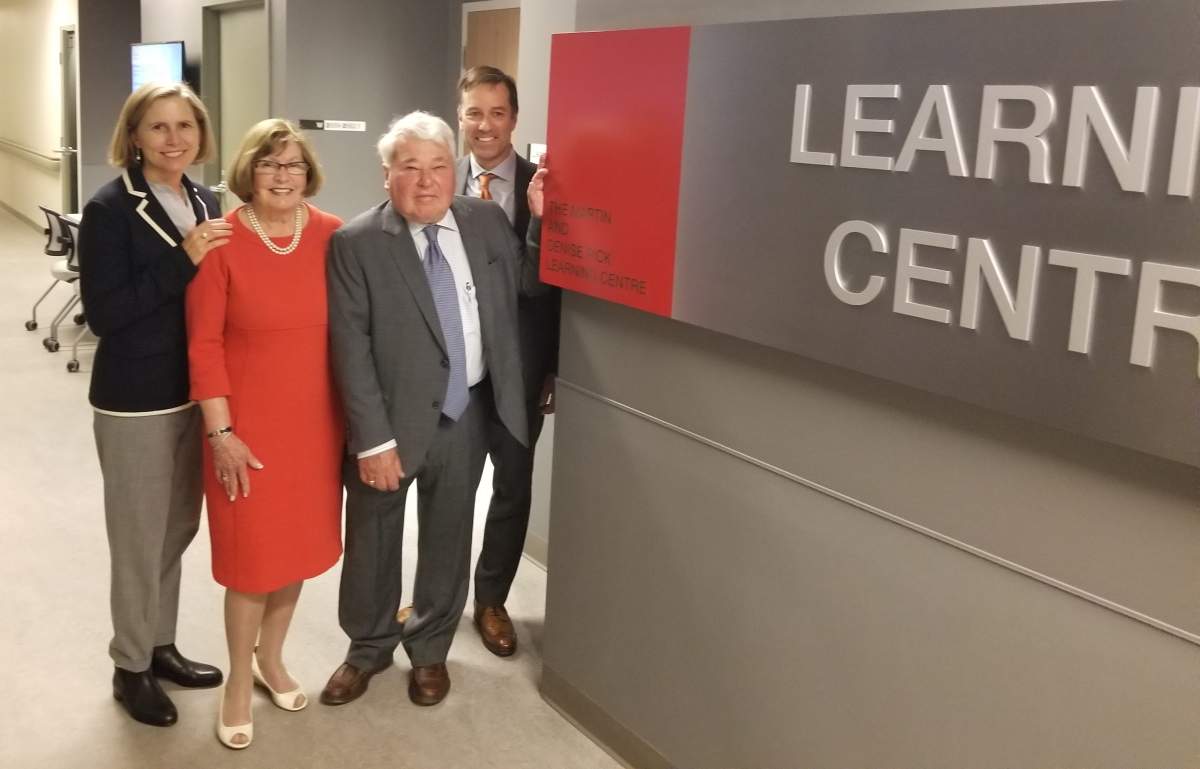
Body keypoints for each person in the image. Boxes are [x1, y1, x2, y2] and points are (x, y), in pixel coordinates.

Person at [322, 111, 547, 708]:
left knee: (449, 537)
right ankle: (367, 648)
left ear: (456, 170)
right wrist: (371, 441)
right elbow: (351, 348)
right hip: (389, 423)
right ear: (386, 174)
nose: (426, 181)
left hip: (466, 415)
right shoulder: (356, 242)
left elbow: (524, 287)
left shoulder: (485, 221)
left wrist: (542, 223)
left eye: (438, 166)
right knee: (373, 538)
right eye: (410, 167)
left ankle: (429, 650)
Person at [185, 119, 344, 749]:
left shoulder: (333, 235)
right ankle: (234, 679)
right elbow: (203, 346)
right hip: (244, 427)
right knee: (251, 562)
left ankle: (270, 660)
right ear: (248, 172)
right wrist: (221, 432)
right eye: (270, 165)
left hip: (315, 424)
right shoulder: (219, 241)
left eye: (294, 166)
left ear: (309, 174)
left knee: (296, 552)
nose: (282, 177)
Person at [79, 81, 230, 728]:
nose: (175, 139)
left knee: (175, 529)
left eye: (186, 126)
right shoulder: (111, 208)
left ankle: (159, 642)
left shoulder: (203, 197)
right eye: (159, 127)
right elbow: (106, 314)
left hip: (194, 394)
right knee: (138, 539)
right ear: (134, 136)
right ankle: (130, 664)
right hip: (136, 399)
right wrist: (183, 257)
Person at [456, 65, 561, 658]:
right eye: (474, 112)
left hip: (520, 371)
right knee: (448, 486)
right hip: (454, 375)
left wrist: (554, 366)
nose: (486, 125)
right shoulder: (439, 183)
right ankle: (436, 592)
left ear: (515, 119)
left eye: (497, 113)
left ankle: (490, 598)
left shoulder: (543, 186)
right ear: (461, 116)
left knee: (512, 488)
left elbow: (557, 286)